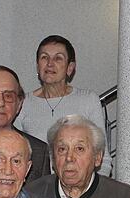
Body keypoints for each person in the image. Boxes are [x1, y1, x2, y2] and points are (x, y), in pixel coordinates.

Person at [15, 35, 112, 176]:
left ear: (70, 68)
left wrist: (92, 193)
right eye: (44, 57)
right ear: (37, 66)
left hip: (80, 187)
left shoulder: (88, 100)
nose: (50, 63)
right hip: (36, 188)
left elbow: (103, 158)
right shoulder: (23, 103)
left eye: (58, 58)